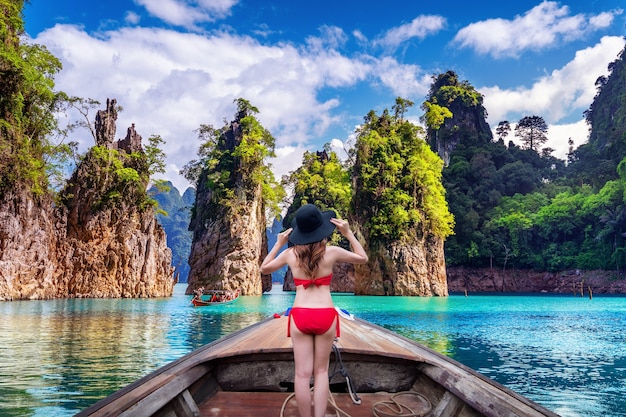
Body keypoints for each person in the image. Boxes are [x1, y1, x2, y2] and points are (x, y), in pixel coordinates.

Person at [260, 204, 368, 417]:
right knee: (321, 372)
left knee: (301, 374)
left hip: (300, 315)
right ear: (321, 229)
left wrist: (279, 243)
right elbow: (362, 258)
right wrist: (348, 233)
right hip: (326, 316)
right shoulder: (333, 252)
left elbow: (264, 268)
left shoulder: (290, 254)